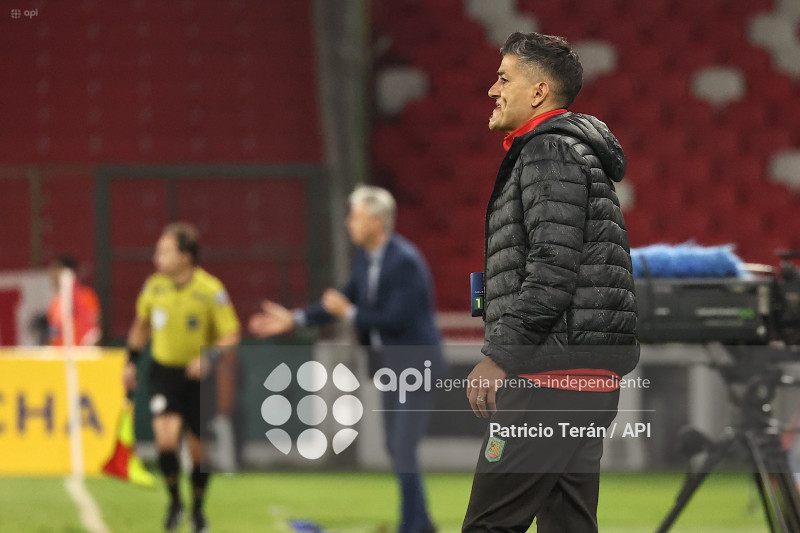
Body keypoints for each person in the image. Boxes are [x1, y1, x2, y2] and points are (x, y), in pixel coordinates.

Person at [462, 32, 639, 532]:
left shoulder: (549, 152)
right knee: (569, 525)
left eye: (503, 78)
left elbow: (551, 270)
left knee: (489, 525)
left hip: (550, 377)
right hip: (583, 376)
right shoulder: (571, 153)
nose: (492, 90)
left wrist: (500, 356)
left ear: (538, 92)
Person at [249, 185, 445, 533]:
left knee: (402, 446)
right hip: (391, 369)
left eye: (354, 215)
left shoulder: (405, 261)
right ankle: (420, 522)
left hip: (417, 367)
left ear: (376, 220)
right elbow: (339, 302)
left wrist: (350, 313)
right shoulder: (365, 259)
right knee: (396, 447)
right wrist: (295, 319)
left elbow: (396, 318)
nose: (348, 223)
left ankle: (415, 526)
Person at [123, 222, 241, 533]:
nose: (156, 257)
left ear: (186, 256)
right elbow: (141, 326)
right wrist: (131, 362)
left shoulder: (210, 290)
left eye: (164, 251)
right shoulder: (154, 287)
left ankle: (198, 510)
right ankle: (175, 501)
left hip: (199, 378)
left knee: (199, 452)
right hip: (165, 373)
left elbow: (231, 334)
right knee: (165, 441)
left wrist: (209, 356)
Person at [46, 255, 102, 346]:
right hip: (58, 356)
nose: (52, 275)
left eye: (56, 270)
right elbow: (53, 334)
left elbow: (94, 331)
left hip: (80, 355)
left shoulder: (86, 296)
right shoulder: (54, 302)